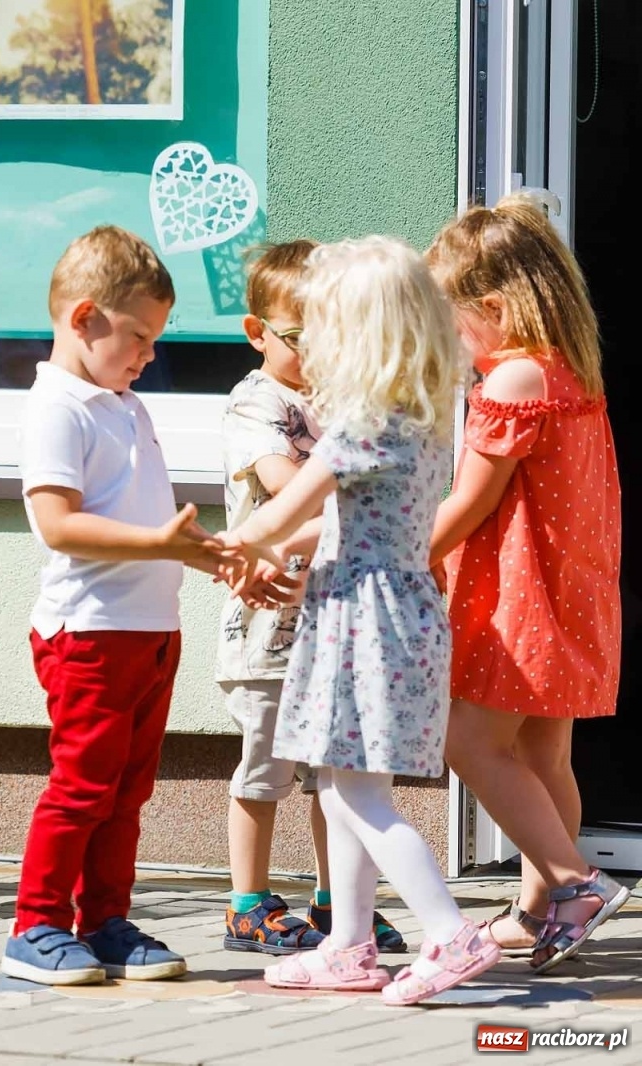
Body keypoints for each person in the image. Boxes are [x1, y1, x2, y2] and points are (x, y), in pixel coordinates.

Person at [217, 236, 501, 1005]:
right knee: (346, 784)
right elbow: (341, 524)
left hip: (364, 622)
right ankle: (348, 943)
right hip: (389, 612)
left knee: (355, 794)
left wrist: (220, 545)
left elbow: (282, 511)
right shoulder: (420, 417)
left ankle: (450, 931)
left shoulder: (360, 425)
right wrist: (267, 548)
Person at [2, 226, 233, 986]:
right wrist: (162, 544)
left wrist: (200, 553)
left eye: (155, 339)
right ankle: (35, 924)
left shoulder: (124, 404)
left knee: (127, 793)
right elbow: (57, 524)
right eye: (138, 336)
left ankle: (103, 922)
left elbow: (147, 521)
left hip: (151, 634)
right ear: (84, 318)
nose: (149, 354)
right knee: (81, 789)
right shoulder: (58, 407)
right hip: (92, 635)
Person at [427, 194, 628, 973]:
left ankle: (577, 885)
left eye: (452, 318)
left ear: (494, 308)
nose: (449, 336)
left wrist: (403, 556)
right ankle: (539, 912)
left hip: (522, 600)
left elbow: (470, 502)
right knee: (544, 759)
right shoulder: (570, 369)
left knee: (470, 742)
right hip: (571, 591)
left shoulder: (513, 377)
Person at [215, 242, 410, 957]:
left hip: (334, 617)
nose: (319, 353)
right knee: (264, 768)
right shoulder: (256, 401)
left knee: (333, 771)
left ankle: (336, 901)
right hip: (268, 624)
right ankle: (247, 903)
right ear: (257, 331)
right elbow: (279, 481)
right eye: (301, 338)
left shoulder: (339, 401)